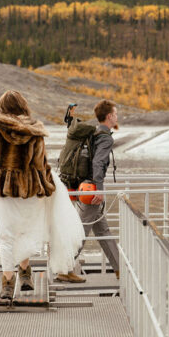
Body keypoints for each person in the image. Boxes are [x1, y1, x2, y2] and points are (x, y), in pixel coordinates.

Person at [0, 89, 85, 300]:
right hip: (29, 190)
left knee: (5, 235)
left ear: (2, 106)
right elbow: (41, 165)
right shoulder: (34, 131)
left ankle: (8, 283)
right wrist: (46, 187)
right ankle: (25, 273)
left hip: (2, 189)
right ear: (23, 105)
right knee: (25, 231)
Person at [58, 99, 120, 283]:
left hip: (83, 186)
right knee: (81, 231)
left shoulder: (93, 132)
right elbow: (98, 163)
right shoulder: (105, 136)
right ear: (109, 116)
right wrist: (99, 190)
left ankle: (120, 269)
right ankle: (64, 268)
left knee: (103, 230)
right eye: (115, 114)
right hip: (91, 189)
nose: (117, 117)